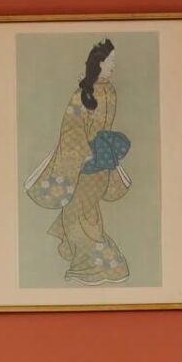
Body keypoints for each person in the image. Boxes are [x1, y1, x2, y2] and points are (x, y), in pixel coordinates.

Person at [24, 40, 132, 285]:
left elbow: (73, 131)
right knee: (84, 215)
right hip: (90, 161)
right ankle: (92, 263)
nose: (113, 66)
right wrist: (90, 155)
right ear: (100, 63)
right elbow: (72, 131)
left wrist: (88, 155)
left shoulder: (99, 92)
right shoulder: (94, 92)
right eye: (111, 61)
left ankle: (99, 265)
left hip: (90, 163)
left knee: (81, 217)